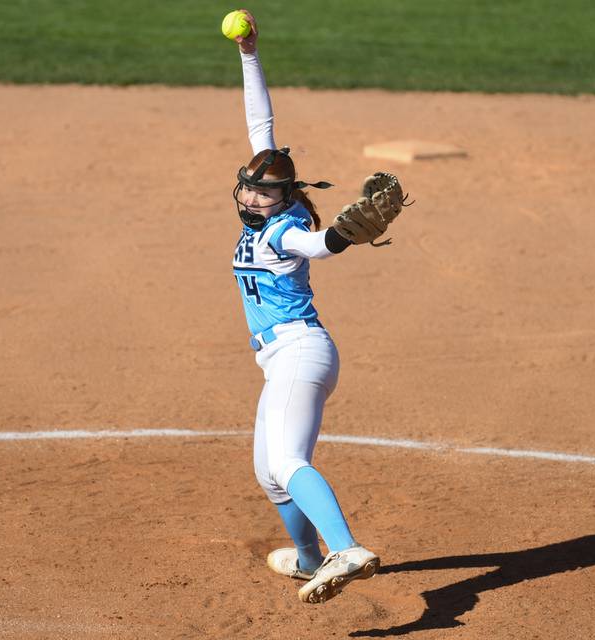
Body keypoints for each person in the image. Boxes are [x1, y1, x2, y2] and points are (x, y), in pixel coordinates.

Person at [230, 10, 380, 604]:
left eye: (261, 189)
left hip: (299, 352)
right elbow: (260, 123)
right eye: (248, 183)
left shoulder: (285, 232)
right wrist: (248, 54)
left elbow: (319, 245)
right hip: (284, 358)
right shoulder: (272, 201)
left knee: (288, 459)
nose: (249, 192)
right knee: (269, 474)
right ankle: (310, 557)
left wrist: (344, 235)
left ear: (283, 197)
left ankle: (346, 549)